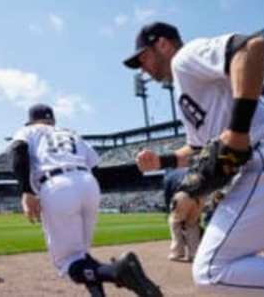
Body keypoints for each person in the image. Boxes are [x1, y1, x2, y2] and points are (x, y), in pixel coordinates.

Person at [124, 21, 264, 295]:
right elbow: (197, 148)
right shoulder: (187, 86)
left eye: (143, 57)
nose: (142, 68)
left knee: (211, 269)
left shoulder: (184, 58)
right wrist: (162, 161)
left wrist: (238, 129)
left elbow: (250, 47)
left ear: (163, 45)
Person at [10, 103, 162, 297]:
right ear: (53, 120)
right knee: (82, 255)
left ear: (31, 120)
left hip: (57, 184)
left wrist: (26, 191)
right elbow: (97, 170)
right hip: (88, 183)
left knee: (70, 263)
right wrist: (134, 171)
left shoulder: (28, 130)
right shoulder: (70, 133)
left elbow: (18, 151)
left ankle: (118, 271)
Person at [163, 168, 204, 262]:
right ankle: (194, 253)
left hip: (183, 195)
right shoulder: (187, 171)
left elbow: (167, 195)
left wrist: (168, 211)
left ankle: (177, 252)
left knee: (174, 222)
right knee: (192, 225)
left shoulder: (169, 176)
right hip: (200, 196)